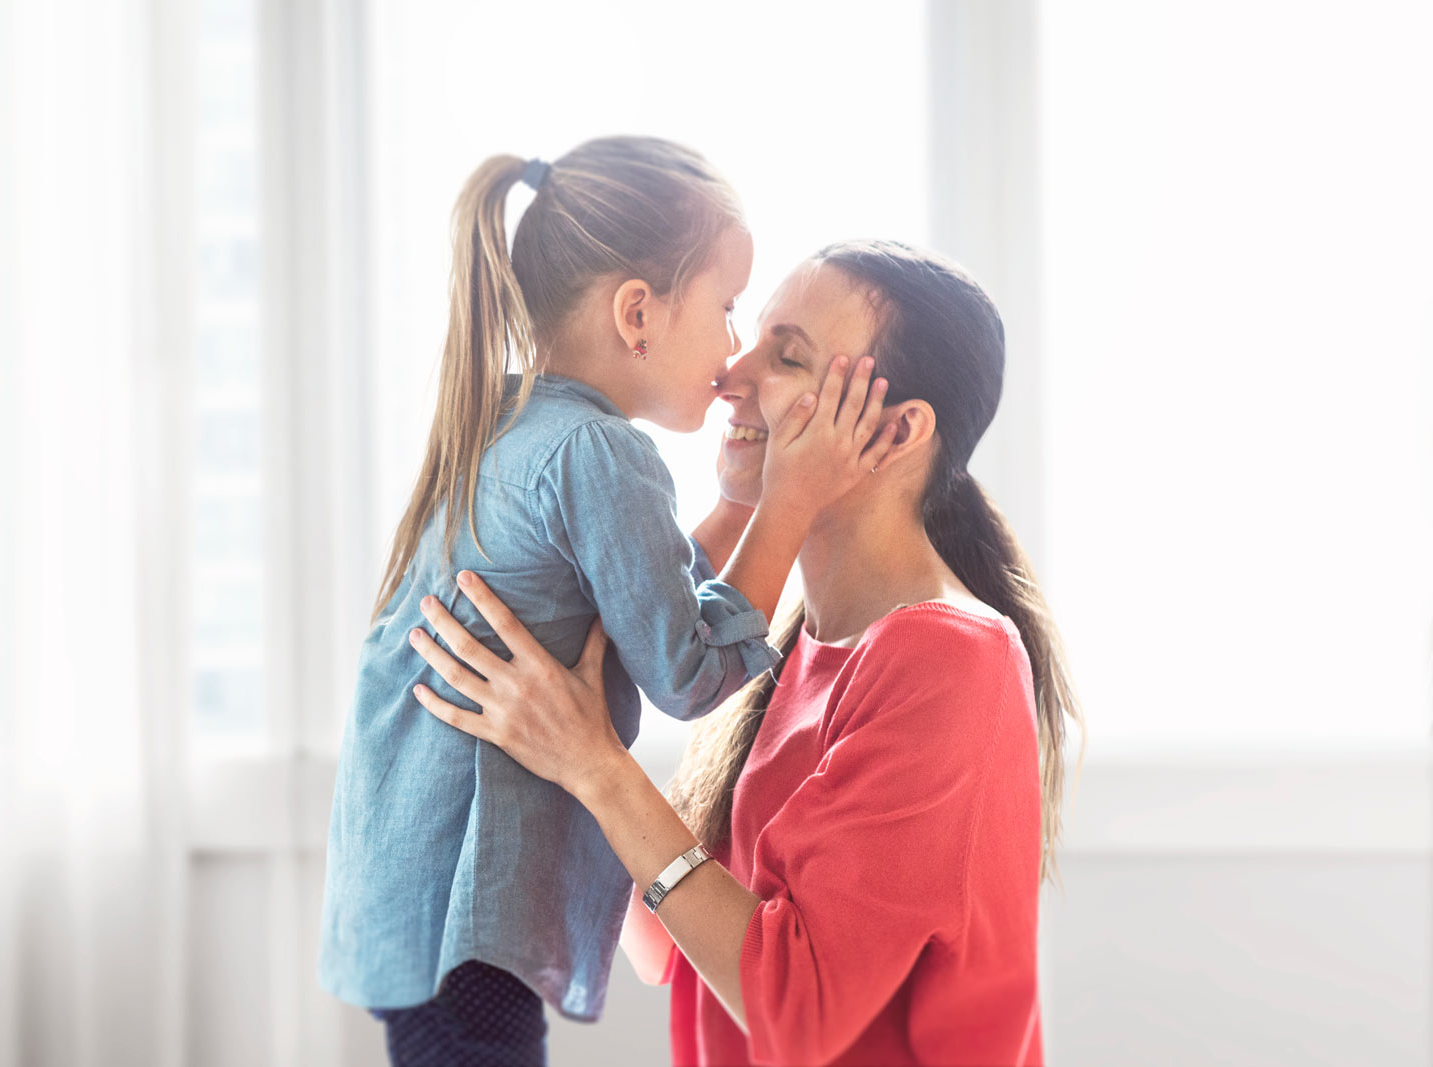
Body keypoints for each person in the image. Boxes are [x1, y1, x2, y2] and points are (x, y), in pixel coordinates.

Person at [408, 240, 1086, 1066]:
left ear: (900, 429)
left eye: (787, 354)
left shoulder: (949, 661)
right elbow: (662, 939)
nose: (731, 371)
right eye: (753, 334)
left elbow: (795, 1013)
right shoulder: (791, 641)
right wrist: (561, 717)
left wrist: (594, 765)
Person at [316, 138, 901, 1067]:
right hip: (474, 905)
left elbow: (642, 600)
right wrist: (788, 502)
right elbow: (688, 666)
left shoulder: (508, 422)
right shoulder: (603, 454)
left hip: (409, 893)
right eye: (725, 309)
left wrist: (737, 506)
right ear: (638, 312)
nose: (729, 352)